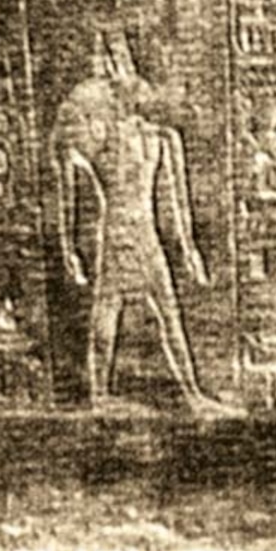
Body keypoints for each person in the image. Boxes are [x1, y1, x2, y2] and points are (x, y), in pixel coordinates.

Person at [51, 38, 231, 412]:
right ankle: (101, 396)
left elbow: (176, 201)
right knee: (110, 316)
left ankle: (191, 394)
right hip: (120, 234)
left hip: (141, 234)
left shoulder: (162, 138)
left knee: (165, 315)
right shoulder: (104, 138)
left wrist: (189, 248)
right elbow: (67, 183)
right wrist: (69, 248)